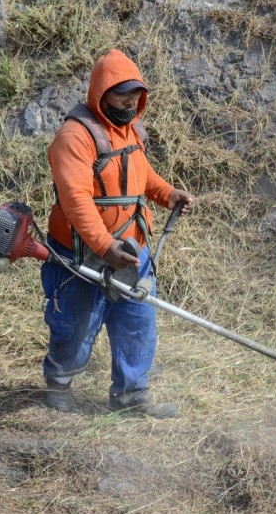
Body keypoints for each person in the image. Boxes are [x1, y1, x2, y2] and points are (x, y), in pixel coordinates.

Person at [41, 49, 195, 419]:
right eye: (120, 93)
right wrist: (105, 245)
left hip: (130, 251)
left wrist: (167, 194)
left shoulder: (131, 130)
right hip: (82, 256)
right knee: (76, 327)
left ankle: (131, 396)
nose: (129, 101)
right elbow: (76, 200)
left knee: (137, 325)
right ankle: (59, 385)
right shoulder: (75, 137)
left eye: (135, 94)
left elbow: (141, 174)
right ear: (100, 92)